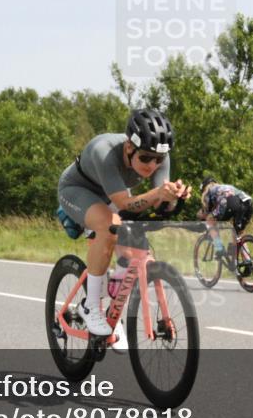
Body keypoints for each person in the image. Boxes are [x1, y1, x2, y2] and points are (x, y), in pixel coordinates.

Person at [57, 109, 190, 343]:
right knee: (109, 226)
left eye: (158, 160)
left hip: (113, 192)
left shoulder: (160, 157)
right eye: (146, 158)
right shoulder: (104, 151)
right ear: (129, 147)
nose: (152, 166)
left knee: (131, 247)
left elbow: (158, 203)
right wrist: (158, 193)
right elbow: (124, 203)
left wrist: (173, 198)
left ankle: (113, 310)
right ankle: (90, 307)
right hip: (79, 190)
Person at [197, 177, 253, 259]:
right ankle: (248, 261)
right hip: (248, 202)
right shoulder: (224, 186)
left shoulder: (209, 191)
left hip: (230, 203)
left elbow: (206, 212)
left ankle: (219, 248)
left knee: (209, 221)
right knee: (238, 234)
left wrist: (200, 217)